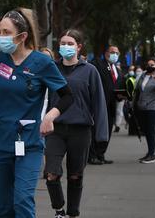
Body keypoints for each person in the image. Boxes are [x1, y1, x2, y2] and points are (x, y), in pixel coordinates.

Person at [0, 8, 75, 218]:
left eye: (6, 32)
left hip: (29, 144)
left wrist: (49, 116)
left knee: (23, 199)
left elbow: (67, 96)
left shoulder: (42, 62)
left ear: (22, 36)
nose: (1, 37)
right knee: (4, 204)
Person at [44, 29, 108, 218]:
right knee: (51, 173)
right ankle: (59, 209)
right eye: (62, 43)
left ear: (79, 47)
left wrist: (101, 135)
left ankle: (72, 213)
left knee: (75, 175)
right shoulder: (51, 68)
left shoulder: (90, 71)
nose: (65, 46)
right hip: (55, 129)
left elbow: (99, 102)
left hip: (80, 130)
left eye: (70, 43)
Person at [89, 45, 125, 164]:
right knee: (96, 130)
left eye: (116, 52)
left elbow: (119, 87)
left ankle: (101, 154)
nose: (114, 54)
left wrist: (122, 95)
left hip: (111, 105)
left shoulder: (118, 71)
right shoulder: (98, 64)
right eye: (112, 52)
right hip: (98, 104)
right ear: (106, 53)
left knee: (108, 130)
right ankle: (92, 155)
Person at [134, 58, 155, 163]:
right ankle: (149, 153)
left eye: (152, 65)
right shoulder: (143, 76)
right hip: (142, 107)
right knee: (146, 131)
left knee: (152, 131)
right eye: (148, 64)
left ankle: (152, 155)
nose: (150, 66)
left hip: (153, 108)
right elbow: (138, 89)